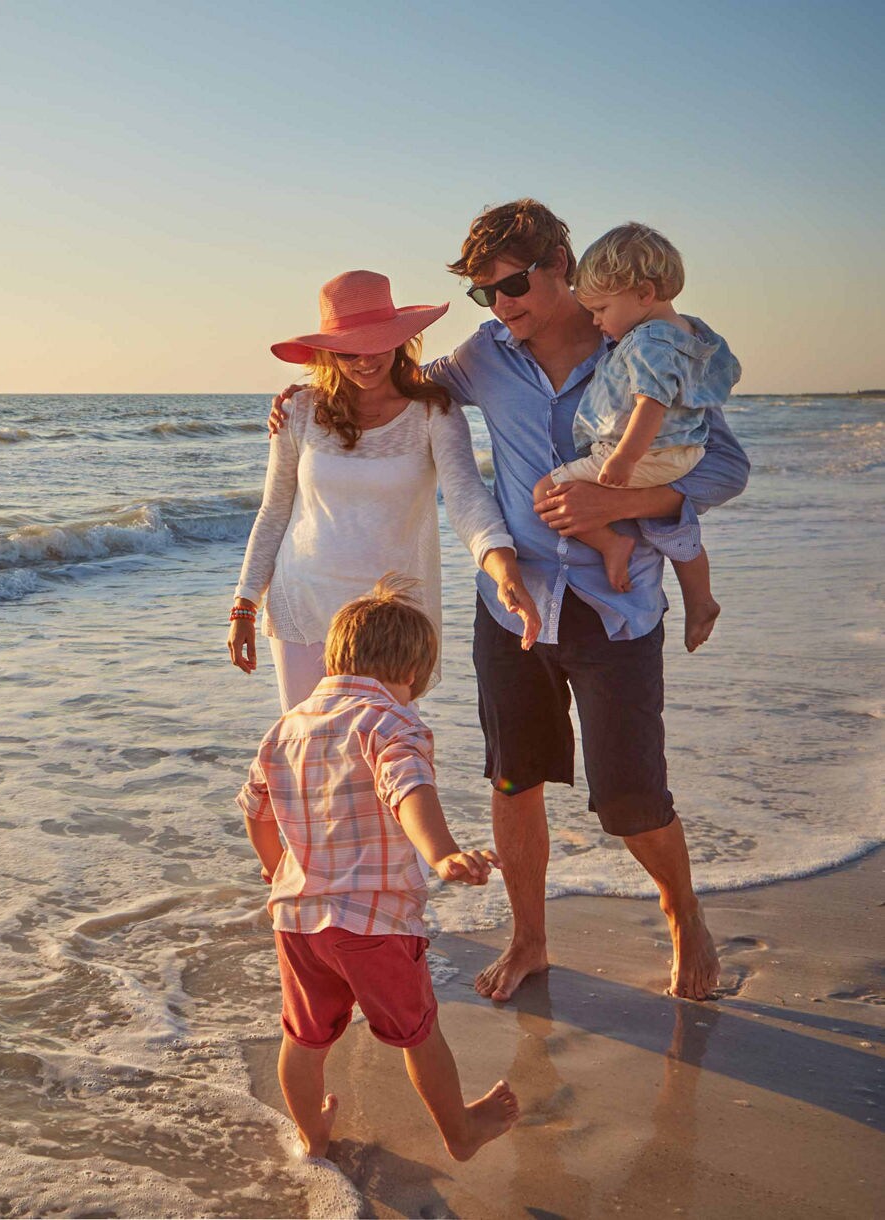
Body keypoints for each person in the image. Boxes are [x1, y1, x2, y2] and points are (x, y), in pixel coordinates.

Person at [270, 201, 750, 1002]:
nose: (503, 308)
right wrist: (309, 397)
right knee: (512, 780)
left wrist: (620, 507)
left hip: (616, 605)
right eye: (486, 295)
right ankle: (529, 940)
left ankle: (683, 912)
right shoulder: (484, 355)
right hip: (513, 607)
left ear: (561, 264)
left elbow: (726, 469)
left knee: (630, 801)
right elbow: (392, 382)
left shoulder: (639, 344)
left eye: (515, 286)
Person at [237, 575, 521, 1160]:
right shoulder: (390, 721)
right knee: (418, 1034)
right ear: (412, 675)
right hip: (375, 924)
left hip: (296, 919)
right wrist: (441, 853)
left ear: (335, 656)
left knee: (304, 1036)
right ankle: (460, 1133)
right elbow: (407, 786)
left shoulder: (285, 727)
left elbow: (257, 810)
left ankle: (311, 1133)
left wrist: (274, 870)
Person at [228, 269, 539, 713]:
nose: (365, 360)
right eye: (349, 350)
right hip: (304, 604)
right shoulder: (298, 411)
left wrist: (503, 568)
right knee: (311, 758)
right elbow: (274, 511)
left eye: (377, 343)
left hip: (392, 619)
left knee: (389, 756)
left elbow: (467, 497)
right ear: (328, 353)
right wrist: (245, 603)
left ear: (399, 339)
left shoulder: (434, 412)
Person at [531, 223, 741, 652]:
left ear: (644, 295)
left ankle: (611, 543)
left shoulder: (647, 342)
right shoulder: (694, 339)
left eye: (602, 309)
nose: (596, 321)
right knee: (667, 525)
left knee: (545, 491)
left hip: (641, 452)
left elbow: (650, 403)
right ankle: (700, 599)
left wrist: (624, 458)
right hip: (686, 450)